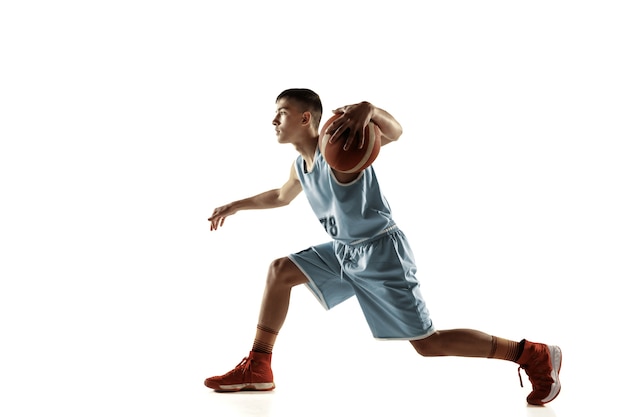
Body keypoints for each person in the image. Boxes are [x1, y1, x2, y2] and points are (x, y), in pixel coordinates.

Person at [204, 88, 562, 405]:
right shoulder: (301, 164)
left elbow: (395, 132)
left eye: (280, 113)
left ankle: (532, 355)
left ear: (305, 117)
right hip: (344, 251)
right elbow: (282, 196)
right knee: (280, 270)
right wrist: (234, 205)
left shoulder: (341, 147)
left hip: (380, 254)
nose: (273, 120)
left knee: (428, 344)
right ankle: (258, 365)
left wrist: (370, 109)